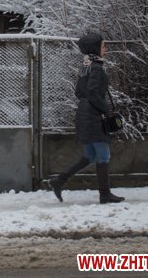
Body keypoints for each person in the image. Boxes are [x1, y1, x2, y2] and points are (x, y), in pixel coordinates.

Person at [48, 33, 125, 204]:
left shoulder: (85, 66)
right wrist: (106, 110)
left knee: (90, 155)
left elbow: (79, 92)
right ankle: (105, 194)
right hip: (93, 116)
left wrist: (90, 104)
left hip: (84, 113)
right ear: (95, 48)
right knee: (103, 155)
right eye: (103, 45)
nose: (106, 49)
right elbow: (92, 92)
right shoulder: (96, 67)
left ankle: (59, 180)